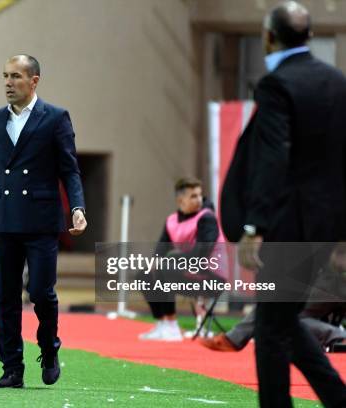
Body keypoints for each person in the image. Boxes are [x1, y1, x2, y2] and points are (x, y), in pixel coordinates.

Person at [220, 2, 346, 406]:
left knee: (272, 330)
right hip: (324, 226)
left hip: (287, 224)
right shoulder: (337, 82)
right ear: (309, 37)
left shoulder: (277, 84)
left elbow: (273, 157)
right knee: (282, 320)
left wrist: (255, 226)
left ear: (269, 36)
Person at [0, 54, 87, 388]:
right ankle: (12, 368)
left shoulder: (55, 118)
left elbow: (69, 168)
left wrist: (78, 207)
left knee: (40, 292)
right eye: (5, 76)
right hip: (4, 220)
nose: (8, 83)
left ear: (34, 81)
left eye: (15, 77)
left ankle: (49, 349)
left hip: (41, 221)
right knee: (5, 297)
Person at [199, 243, 346, 351]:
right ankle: (234, 338)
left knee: (278, 309)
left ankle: (337, 334)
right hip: (327, 277)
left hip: (333, 279)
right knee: (280, 308)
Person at [139, 177, 226, 341]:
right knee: (144, 275)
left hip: (211, 276)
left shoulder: (207, 218)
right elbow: (161, 247)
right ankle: (162, 323)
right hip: (185, 272)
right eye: (193, 196)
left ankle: (172, 327)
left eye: (200, 195)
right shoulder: (171, 220)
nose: (199, 199)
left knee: (166, 267)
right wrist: (154, 262)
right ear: (180, 200)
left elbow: (202, 253)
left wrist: (173, 260)